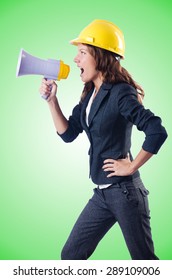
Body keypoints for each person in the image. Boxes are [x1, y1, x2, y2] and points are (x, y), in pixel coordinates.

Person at [39, 19, 168, 260]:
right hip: (102, 194)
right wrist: (51, 100)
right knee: (70, 255)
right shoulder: (90, 93)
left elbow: (156, 131)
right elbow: (68, 134)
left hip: (126, 193)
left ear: (100, 56)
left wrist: (131, 165)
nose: (76, 59)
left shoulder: (121, 93)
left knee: (144, 263)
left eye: (82, 52)